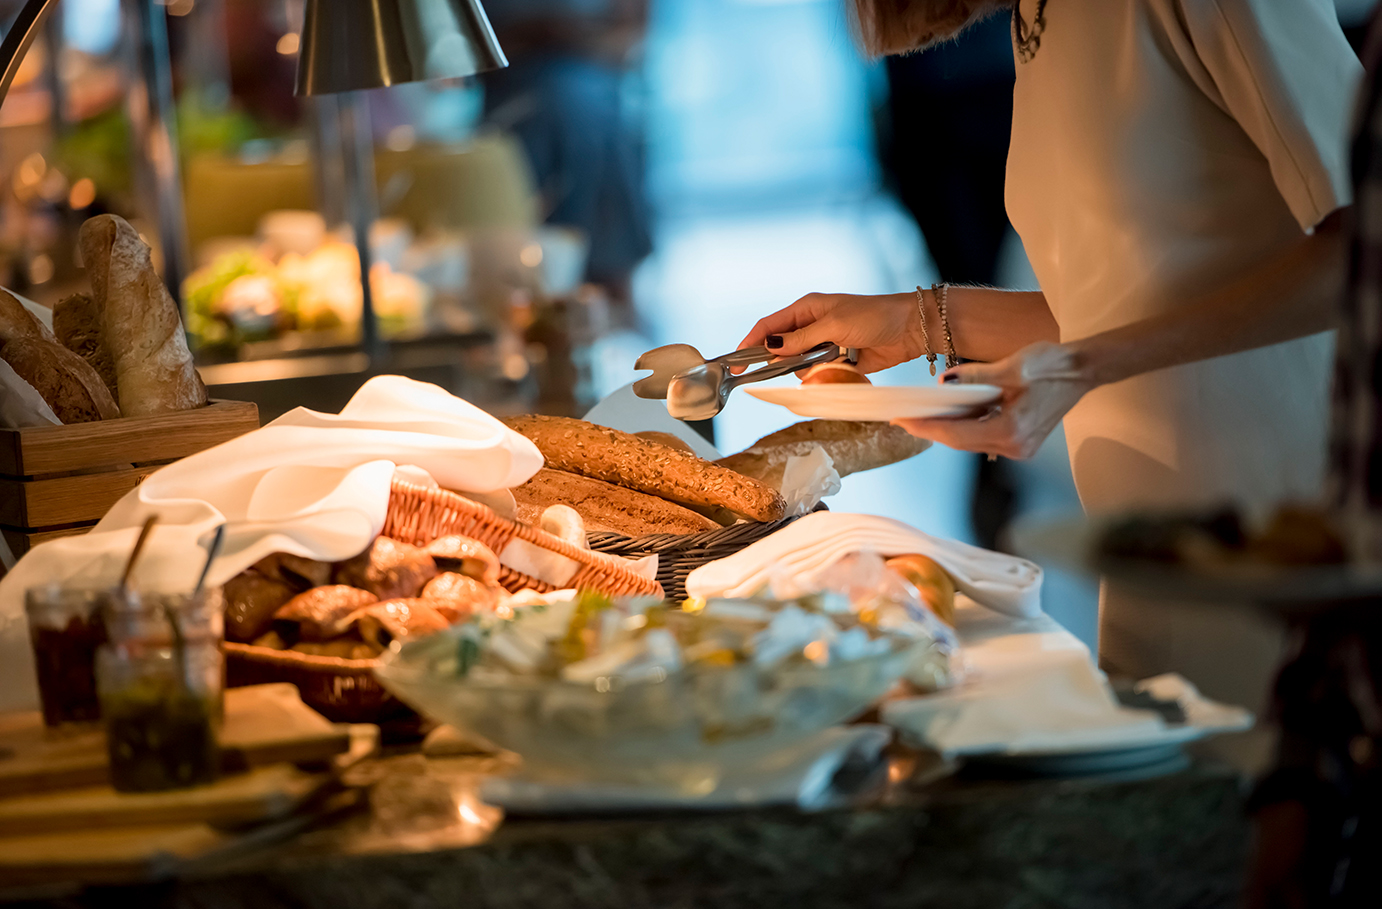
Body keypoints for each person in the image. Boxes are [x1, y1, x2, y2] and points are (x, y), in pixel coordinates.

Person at [740, 0, 1359, 721]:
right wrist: (916, 320)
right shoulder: (1039, 12)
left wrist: (1082, 368)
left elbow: (1363, 251)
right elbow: (1128, 298)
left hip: (1276, 546)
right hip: (1147, 547)